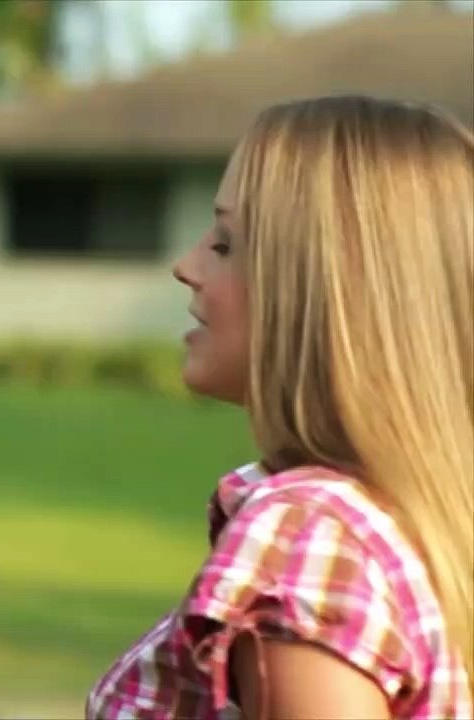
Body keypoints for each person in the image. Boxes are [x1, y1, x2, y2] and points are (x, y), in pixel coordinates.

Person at [85, 94, 473, 719]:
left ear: (326, 288)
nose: (186, 266)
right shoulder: (422, 529)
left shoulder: (307, 536)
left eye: (225, 243)